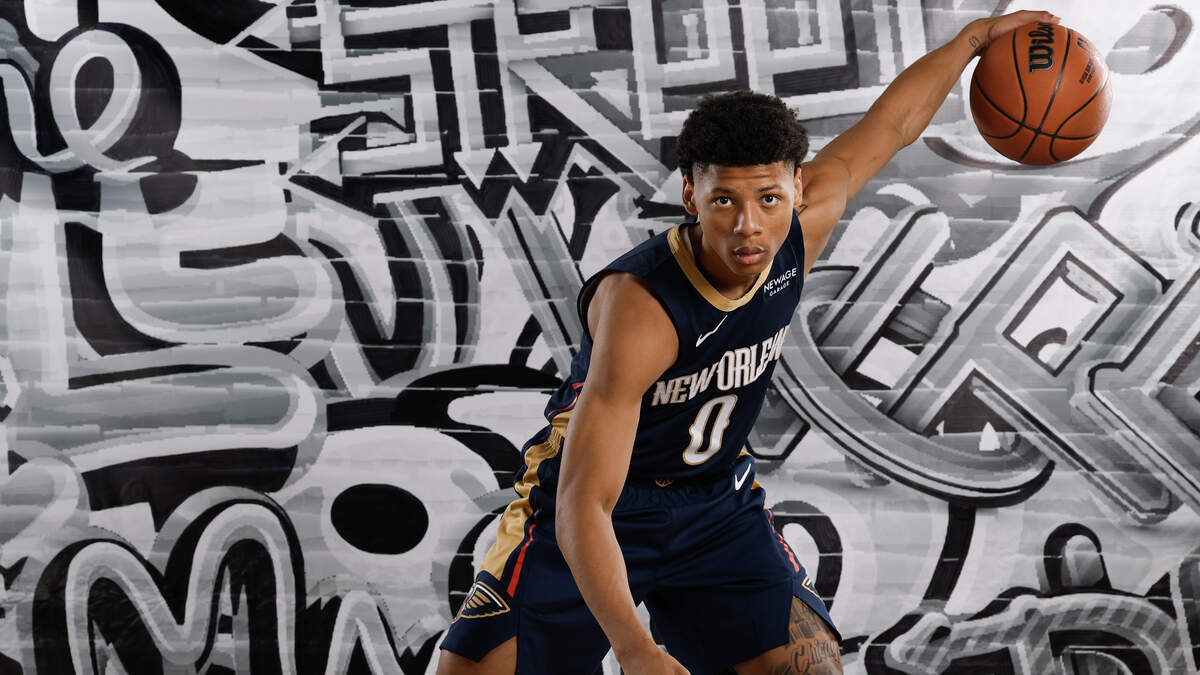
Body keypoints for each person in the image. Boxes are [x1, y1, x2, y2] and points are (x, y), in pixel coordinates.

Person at [437, 9, 1058, 674]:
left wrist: (975, 38)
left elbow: (893, 125)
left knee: (810, 667)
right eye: (724, 201)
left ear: (796, 188)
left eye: (767, 198)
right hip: (604, 504)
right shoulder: (643, 305)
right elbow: (583, 500)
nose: (748, 226)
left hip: (714, 504)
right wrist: (634, 647)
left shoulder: (799, 230)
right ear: (691, 195)